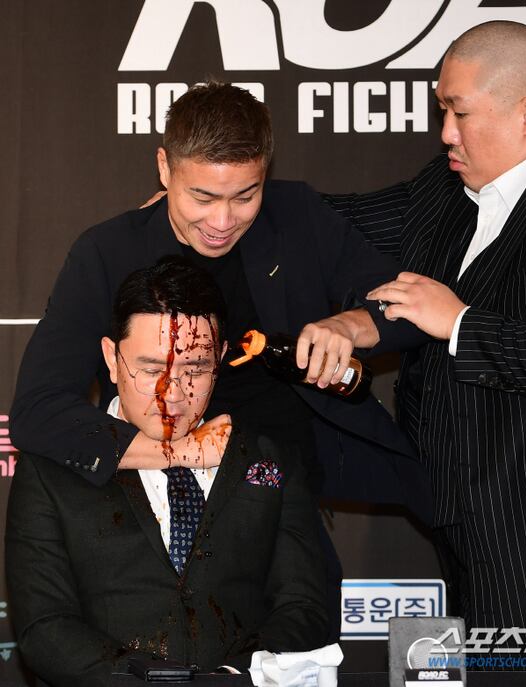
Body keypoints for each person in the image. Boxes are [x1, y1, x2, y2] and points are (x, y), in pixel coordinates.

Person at [9, 82, 432, 639]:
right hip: (148, 506)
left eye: (245, 196)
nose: (223, 220)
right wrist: (184, 453)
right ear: (165, 168)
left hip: (278, 495)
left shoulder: (296, 216)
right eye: (202, 198)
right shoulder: (108, 252)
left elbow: (410, 308)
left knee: (301, 648)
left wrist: (349, 325)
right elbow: (38, 410)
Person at [325, 20, 526, 669]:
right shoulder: (448, 186)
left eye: (458, 112)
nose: (445, 133)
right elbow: (346, 222)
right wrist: (238, 208)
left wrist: (458, 322)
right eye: (442, 112)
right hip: (459, 532)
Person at [6, 256, 330, 687]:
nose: (171, 393)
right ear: (111, 357)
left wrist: (229, 679)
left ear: (221, 358)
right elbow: (45, 627)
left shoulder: (267, 459)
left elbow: (305, 606)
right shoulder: (51, 469)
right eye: (151, 369)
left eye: (194, 369)